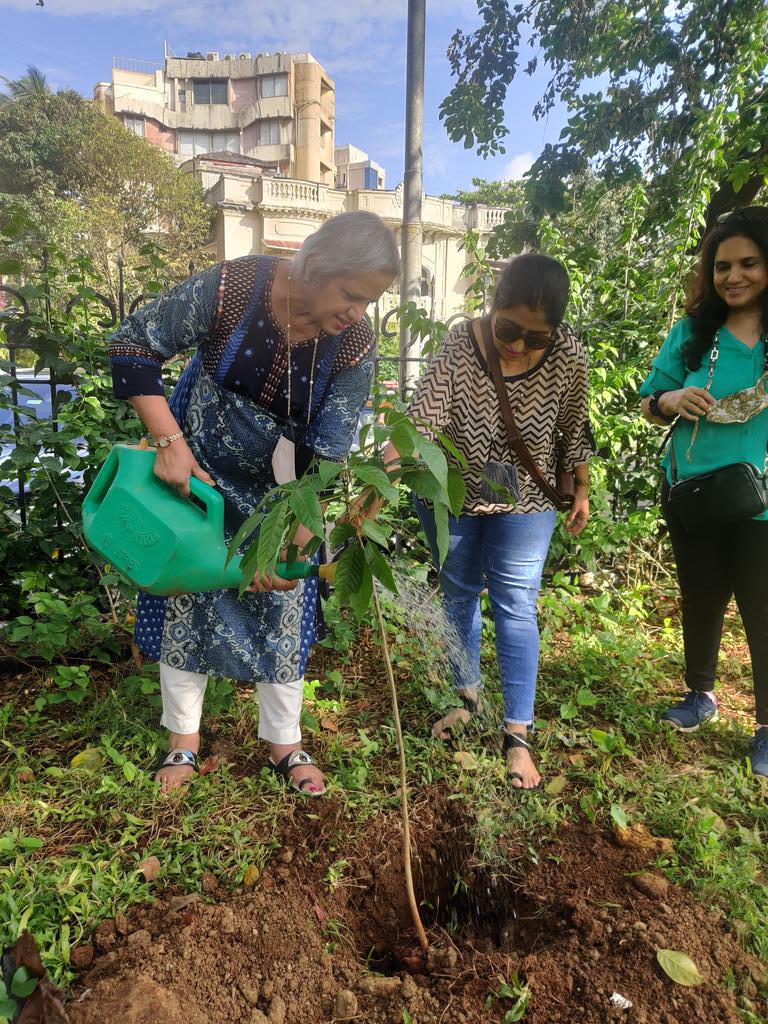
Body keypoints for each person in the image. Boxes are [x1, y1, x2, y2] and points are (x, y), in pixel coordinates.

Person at [108, 211, 400, 795]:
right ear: (315, 265)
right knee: (186, 593)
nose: (357, 313)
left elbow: (331, 445)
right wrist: (169, 444)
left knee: (283, 611)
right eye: (351, 295)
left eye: (369, 302)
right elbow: (133, 344)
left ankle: (284, 743)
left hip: (286, 490)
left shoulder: (354, 345)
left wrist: (295, 533)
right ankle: (182, 744)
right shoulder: (235, 286)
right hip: (197, 474)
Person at [375, 254, 593, 790]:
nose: (519, 346)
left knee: (516, 603)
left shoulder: (568, 356)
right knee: (457, 593)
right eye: (509, 329)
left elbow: (574, 424)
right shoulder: (459, 344)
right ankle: (464, 700)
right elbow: (421, 421)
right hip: (450, 491)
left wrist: (581, 487)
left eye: (535, 337)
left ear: (556, 331)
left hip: (527, 498)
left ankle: (517, 734)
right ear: (493, 305)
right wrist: (372, 495)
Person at [640, 207, 768, 779]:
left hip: (761, 499)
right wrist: (670, 401)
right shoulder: (692, 335)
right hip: (693, 491)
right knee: (701, 595)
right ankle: (700, 695)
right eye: (722, 266)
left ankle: (766, 727)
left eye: (749, 263)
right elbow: (647, 401)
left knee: (762, 608)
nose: (733, 276)